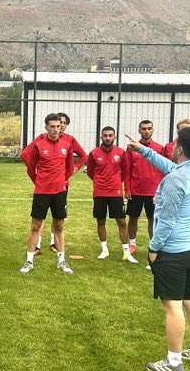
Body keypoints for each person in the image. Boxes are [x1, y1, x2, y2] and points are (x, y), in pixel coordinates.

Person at [125, 128, 190, 371]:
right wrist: (143, 150)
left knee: (172, 306)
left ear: (180, 149)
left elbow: (167, 221)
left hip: (174, 251)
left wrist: (153, 248)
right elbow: (171, 167)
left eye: (174, 144)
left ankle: (174, 363)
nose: (171, 147)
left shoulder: (175, 180)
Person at [20, 113, 76, 275]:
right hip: (42, 192)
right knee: (35, 226)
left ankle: (61, 260)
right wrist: (40, 182)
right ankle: (29, 261)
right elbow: (31, 169)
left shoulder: (67, 145)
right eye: (52, 126)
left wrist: (61, 181)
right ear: (46, 127)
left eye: (58, 126)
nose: (56, 129)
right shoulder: (38, 145)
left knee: (59, 226)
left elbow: (69, 168)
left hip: (60, 192)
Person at [86, 126, 137, 263]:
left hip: (115, 192)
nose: (107, 138)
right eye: (105, 135)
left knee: (121, 221)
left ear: (114, 137)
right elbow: (90, 172)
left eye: (110, 135)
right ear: (101, 137)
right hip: (100, 192)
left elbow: (125, 171)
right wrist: (99, 181)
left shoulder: (120, 152)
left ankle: (126, 252)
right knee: (100, 221)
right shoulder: (94, 153)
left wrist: (116, 182)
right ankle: (104, 250)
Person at [125, 119, 164, 255]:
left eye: (149, 128)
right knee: (133, 218)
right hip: (135, 190)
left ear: (152, 130)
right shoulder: (132, 148)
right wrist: (127, 189)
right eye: (144, 129)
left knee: (153, 219)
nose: (146, 131)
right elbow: (127, 170)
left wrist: (160, 190)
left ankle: (153, 245)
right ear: (139, 130)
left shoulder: (159, 148)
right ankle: (132, 244)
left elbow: (163, 170)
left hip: (153, 192)